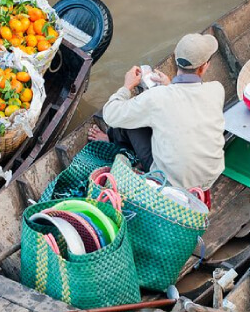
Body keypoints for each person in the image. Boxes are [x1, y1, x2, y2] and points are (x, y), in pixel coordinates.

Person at [89, 33, 225, 195]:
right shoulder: (217, 89)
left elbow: (110, 114)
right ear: (204, 67)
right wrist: (169, 86)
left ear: (175, 58)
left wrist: (127, 86)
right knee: (161, 117)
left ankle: (110, 138)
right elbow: (189, 100)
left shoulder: (157, 97)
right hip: (210, 176)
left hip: (172, 183)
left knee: (131, 120)